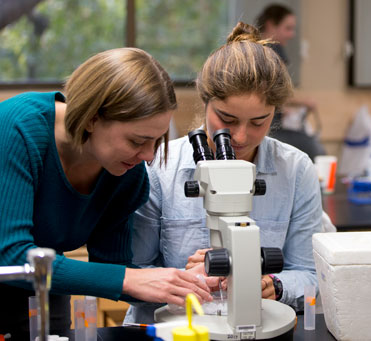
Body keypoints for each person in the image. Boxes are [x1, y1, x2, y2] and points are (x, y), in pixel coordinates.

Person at [0, 48, 214, 336]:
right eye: (137, 140)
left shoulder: (125, 174)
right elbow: (9, 255)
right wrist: (128, 279)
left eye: (157, 141)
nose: (148, 156)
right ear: (91, 118)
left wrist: (179, 283)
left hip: (42, 292)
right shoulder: (15, 129)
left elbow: (112, 268)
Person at [124, 22, 323, 324]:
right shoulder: (158, 166)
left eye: (258, 122)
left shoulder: (295, 170)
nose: (241, 137)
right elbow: (131, 273)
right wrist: (179, 279)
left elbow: (310, 274)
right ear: (205, 102)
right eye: (227, 119)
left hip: (254, 323)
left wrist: (274, 285)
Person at [256, 3, 325, 161]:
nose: (292, 34)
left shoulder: (251, 49)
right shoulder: (272, 50)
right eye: (288, 28)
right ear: (271, 25)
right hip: (269, 129)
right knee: (315, 151)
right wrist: (304, 102)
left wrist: (282, 108)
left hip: (263, 126)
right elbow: (272, 92)